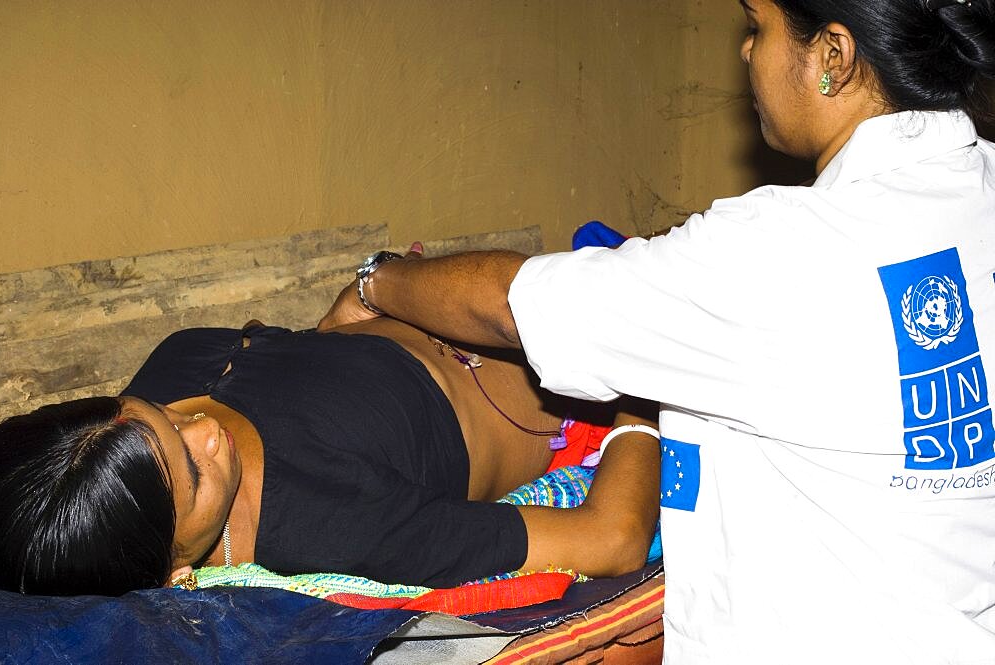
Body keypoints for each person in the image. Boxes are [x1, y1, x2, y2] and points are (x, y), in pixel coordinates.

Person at [316, 0, 995, 662]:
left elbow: (511, 302)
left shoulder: (780, 252)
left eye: (758, 26)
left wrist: (377, 282)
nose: (746, 50)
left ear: (833, 57)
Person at [0, 315, 660, 597]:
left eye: (162, 415)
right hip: (571, 387)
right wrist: (643, 387)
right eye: (193, 474)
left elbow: (311, 374)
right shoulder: (337, 529)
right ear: (176, 573)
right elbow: (615, 537)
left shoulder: (171, 370)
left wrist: (357, 314)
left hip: (444, 308)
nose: (201, 426)